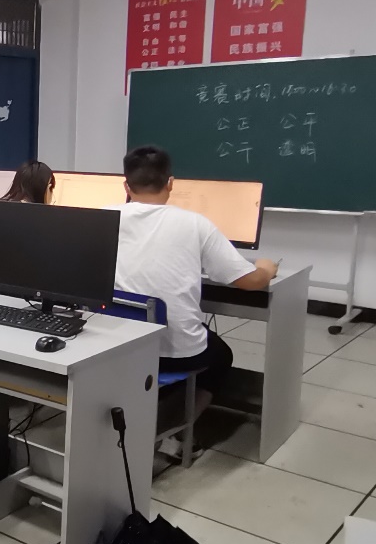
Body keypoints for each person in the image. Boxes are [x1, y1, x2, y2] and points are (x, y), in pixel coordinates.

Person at [115, 146, 278, 448]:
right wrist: (266, 269)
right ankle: (176, 428)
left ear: (126, 186)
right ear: (171, 183)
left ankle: (151, 412)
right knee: (221, 354)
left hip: (114, 349)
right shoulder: (195, 224)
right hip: (174, 356)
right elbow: (250, 282)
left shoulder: (101, 219)